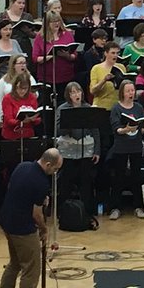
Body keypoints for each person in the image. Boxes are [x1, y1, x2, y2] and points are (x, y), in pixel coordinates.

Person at [0, 147, 62, 288]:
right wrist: (44, 229)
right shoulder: (41, 182)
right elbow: (36, 213)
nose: (55, 173)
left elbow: (17, 190)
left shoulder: (22, 166)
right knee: (32, 269)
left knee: (15, 262)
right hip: (22, 227)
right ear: (47, 164)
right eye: (54, 169)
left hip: (6, 220)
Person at [54, 82, 100, 222]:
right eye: (73, 92)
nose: (76, 95)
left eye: (78, 91)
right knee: (66, 182)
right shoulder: (62, 109)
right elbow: (57, 130)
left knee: (85, 181)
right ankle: (63, 212)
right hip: (67, 151)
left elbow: (95, 130)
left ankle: (86, 212)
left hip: (85, 150)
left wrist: (97, 150)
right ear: (68, 95)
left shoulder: (87, 108)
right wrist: (69, 123)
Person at [107, 80, 144, 219]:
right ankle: (115, 207)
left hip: (136, 146)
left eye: (132, 90)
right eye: (128, 91)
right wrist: (125, 129)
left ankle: (138, 206)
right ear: (122, 93)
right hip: (121, 147)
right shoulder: (116, 108)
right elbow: (115, 128)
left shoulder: (138, 107)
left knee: (136, 177)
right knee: (118, 177)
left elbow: (140, 129)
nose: (131, 93)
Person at [1, 72, 43, 173]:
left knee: (29, 167)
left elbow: (37, 119)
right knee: (13, 167)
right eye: (20, 88)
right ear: (15, 86)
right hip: (12, 137)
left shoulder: (32, 97)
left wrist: (34, 119)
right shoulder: (8, 98)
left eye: (25, 88)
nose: (22, 91)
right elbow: (8, 120)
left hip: (28, 136)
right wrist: (21, 122)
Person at [32, 10, 77, 98]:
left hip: (65, 76)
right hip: (47, 78)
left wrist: (66, 56)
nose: (56, 24)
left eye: (58, 21)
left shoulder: (67, 35)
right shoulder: (40, 37)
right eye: (53, 22)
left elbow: (74, 56)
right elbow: (35, 58)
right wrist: (50, 56)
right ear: (47, 23)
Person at [0, 19, 22, 95]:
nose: (8, 32)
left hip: (14, 78)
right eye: (5, 29)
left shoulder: (15, 42)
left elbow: (21, 56)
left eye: (10, 29)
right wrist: (2, 63)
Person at [0, 54, 34, 123]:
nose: (23, 65)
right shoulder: (4, 80)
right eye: (20, 63)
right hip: (10, 114)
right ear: (13, 65)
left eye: (24, 63)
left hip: (26, 114)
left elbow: (35, 94)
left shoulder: (30, 78)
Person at [89, 41, 127, 110]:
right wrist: (104, 80)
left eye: (117, 53)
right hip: (101, 106)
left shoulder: (121, 67)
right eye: (113, 53)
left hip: (118, 106)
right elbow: (92, 91)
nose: (115, 55)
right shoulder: (96, 68)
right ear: (106, 53)